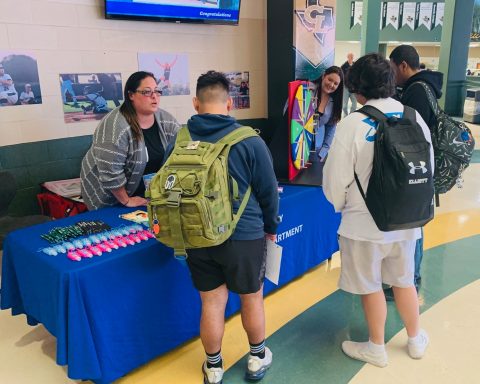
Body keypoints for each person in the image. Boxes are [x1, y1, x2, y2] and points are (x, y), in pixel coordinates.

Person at [166, 71, 279, 384]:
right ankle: (257, 359)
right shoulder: (250, 140)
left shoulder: (181, 139)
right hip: (244, 235)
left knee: (212, 302)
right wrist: (270, 226)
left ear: (196, 103)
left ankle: (213, 368)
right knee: (251, 297)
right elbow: (269, 192)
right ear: (230, 103)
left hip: (195, 234)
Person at [323, 53, 432, 368]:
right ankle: (415, 339)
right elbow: (426, 168)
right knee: (404, 280)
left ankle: (375, 347)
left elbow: (334, 181)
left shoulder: (354, 124)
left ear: (357, 91)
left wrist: (343, 206)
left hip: (363, 225)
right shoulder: (414, 117)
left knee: (371, 286)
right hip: (408, 222)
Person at [389, 44, 444, 297]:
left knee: (414, 224)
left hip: (417, 165)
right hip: (423, 164)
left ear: (402, 65)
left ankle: (411, 278)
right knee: (415, 222)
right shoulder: (424, 87)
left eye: (393, 68)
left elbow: (411, 133)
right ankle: (409, 276)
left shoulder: (417, 92)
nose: (392, 74)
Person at [80, 71, 180, 210]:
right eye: (146, 92)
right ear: (131, 95)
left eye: (157, 91)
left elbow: (180, 151)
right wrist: (126, 200)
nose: (154, 96)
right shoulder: (115, 125)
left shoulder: (166, 120)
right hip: (109, 196)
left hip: (143, 194)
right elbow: (110, 172)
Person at [311, 65, 343, 162]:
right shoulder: (306, 90)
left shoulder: (334, 102)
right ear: (323, 76)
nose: (331, 85)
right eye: (330, 79)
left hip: (315, 152)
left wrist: (323, 153)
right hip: (295, 145)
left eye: (336, 83)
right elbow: (288, 113)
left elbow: (331, 129)